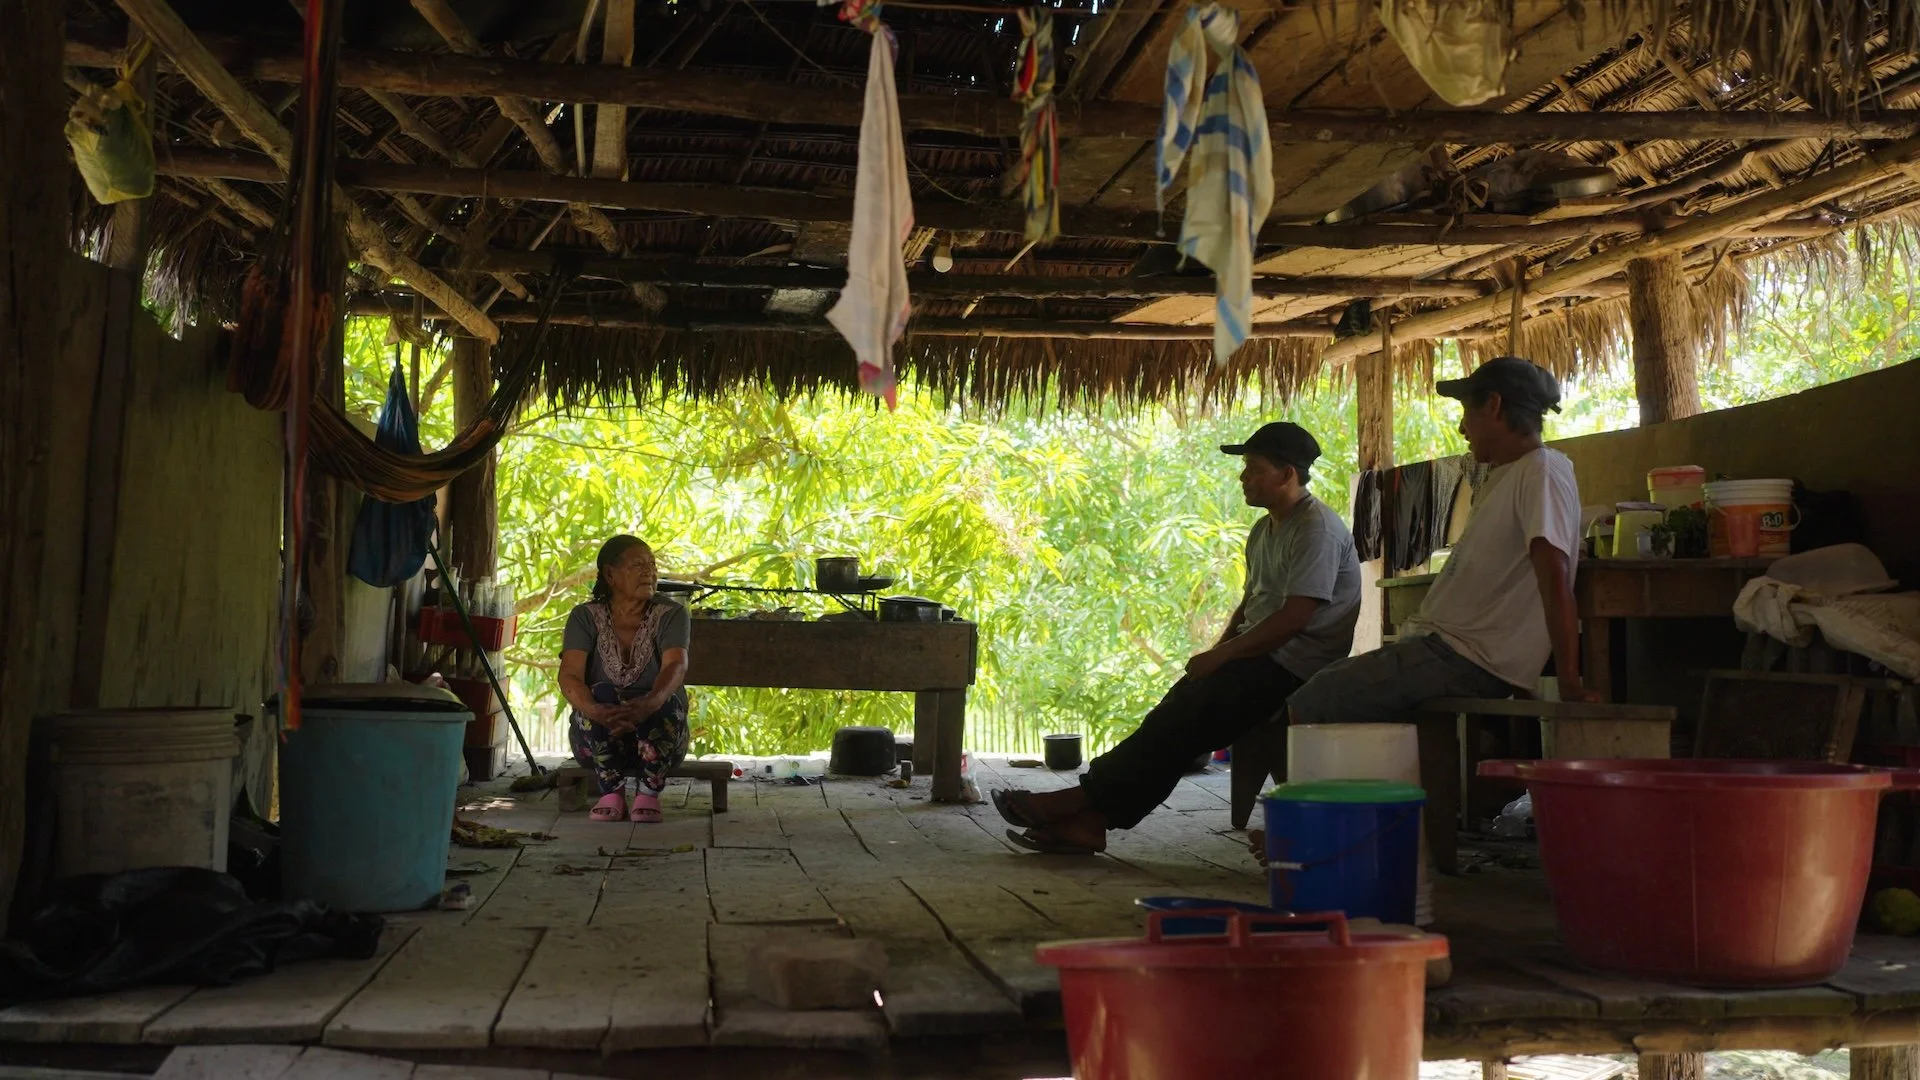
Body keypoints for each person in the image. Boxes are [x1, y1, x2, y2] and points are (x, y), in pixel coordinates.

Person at [993, 422, 1362, 853]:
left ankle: (1081, 804)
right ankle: (1091, 820)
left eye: (1254, 468)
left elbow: (1295, 617)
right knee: (1176, 718)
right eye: (1244, 468)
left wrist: (1223, 658)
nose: (1243, 477)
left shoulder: (1315, 527)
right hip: (1263, 658)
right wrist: (1218, 653)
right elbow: (1248, 607)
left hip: (1299, 666)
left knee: (1182, 722)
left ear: (1288, 474)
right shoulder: (1265, 529)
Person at [1286, 356, 1599, 732]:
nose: (1463, 427)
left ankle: (1313, 792)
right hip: (1448, 650)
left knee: (1314, 701)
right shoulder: (1509, 474)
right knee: (1326, 686)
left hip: (1467, 657)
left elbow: (1554, 575)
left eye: (1468, 412)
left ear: (1494, 406)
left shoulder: (1541, 471)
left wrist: (1569, 680)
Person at [556, 535, 692, 823]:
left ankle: (648, 792)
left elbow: (676, 666)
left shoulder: (672, 613)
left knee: (666, 702)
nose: (650, 572)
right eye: (638, 565)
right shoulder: (584, 617)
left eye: (652, 565)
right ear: (610, 574)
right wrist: (596, 711)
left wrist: (649, 703)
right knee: (599, 694)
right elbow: (569, 675)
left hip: (660, 741)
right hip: (598, 742)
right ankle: (611, 792)